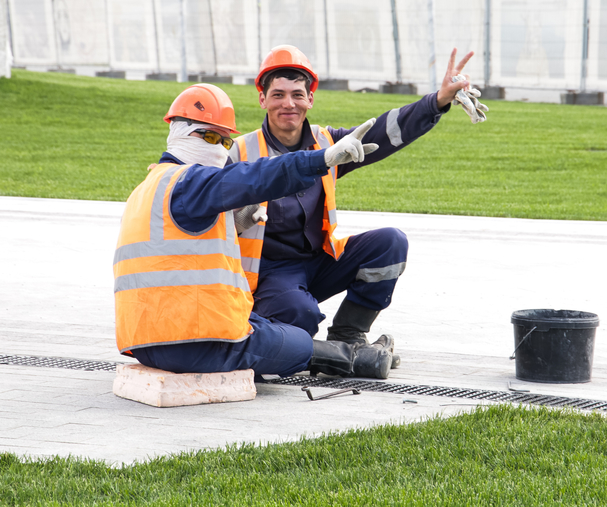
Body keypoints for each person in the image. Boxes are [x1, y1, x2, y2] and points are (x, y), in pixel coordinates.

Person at [113, 83, 396, 379]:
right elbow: (256, 176)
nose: (218, 147)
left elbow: (173, 247)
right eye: (209, 136)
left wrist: (234, 224)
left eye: (224, 142)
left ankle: (353, 352)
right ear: (179, 131)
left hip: (149, 340)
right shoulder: (190, 182)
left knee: (269, 329)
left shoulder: (150, 187)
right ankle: (363, 360)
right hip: (196, 341)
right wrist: (321, 159)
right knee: (296, 341)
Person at [228, 45, 486, 369]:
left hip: (320, 261)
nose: (288, 103)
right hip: (269, 273)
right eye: (278, 95)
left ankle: (347, 335)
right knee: (299, 318)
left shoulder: (328, 145)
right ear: (262, 99)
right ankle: (335, 357)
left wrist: (437, 101)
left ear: (311, 98)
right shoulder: (240, 152)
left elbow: (387, 130)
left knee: (390, 244)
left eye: (297, 94)